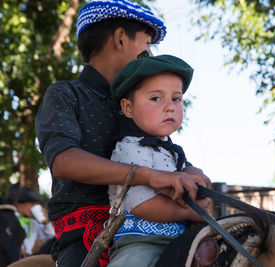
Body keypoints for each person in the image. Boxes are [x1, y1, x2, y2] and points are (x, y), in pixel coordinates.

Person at [35, 1, 210, 266]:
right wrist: (148, 176)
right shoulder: (65, 94)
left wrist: (189, 171)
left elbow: (162, 152)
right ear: (120, 38)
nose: (149, 53)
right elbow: (64, 161)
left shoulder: (142, 101)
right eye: (147, 43)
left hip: (160, 222)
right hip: (88, 234)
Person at [107, 55, 210, 267]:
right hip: (142, 241)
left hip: (181, 240)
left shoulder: (173, 153)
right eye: (156, 98)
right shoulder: (131, 148)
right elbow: (143, 205)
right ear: (128, 108)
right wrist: (193, 211)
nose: (170, 107)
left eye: (176, 99)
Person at [13, 186, 55, 257]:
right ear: (18, 204)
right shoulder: (10, 219)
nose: (34, 207)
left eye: (36, 205)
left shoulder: (33, 223)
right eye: (32, 204)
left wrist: (46, 223)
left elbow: (50, 238)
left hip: (27, 258)